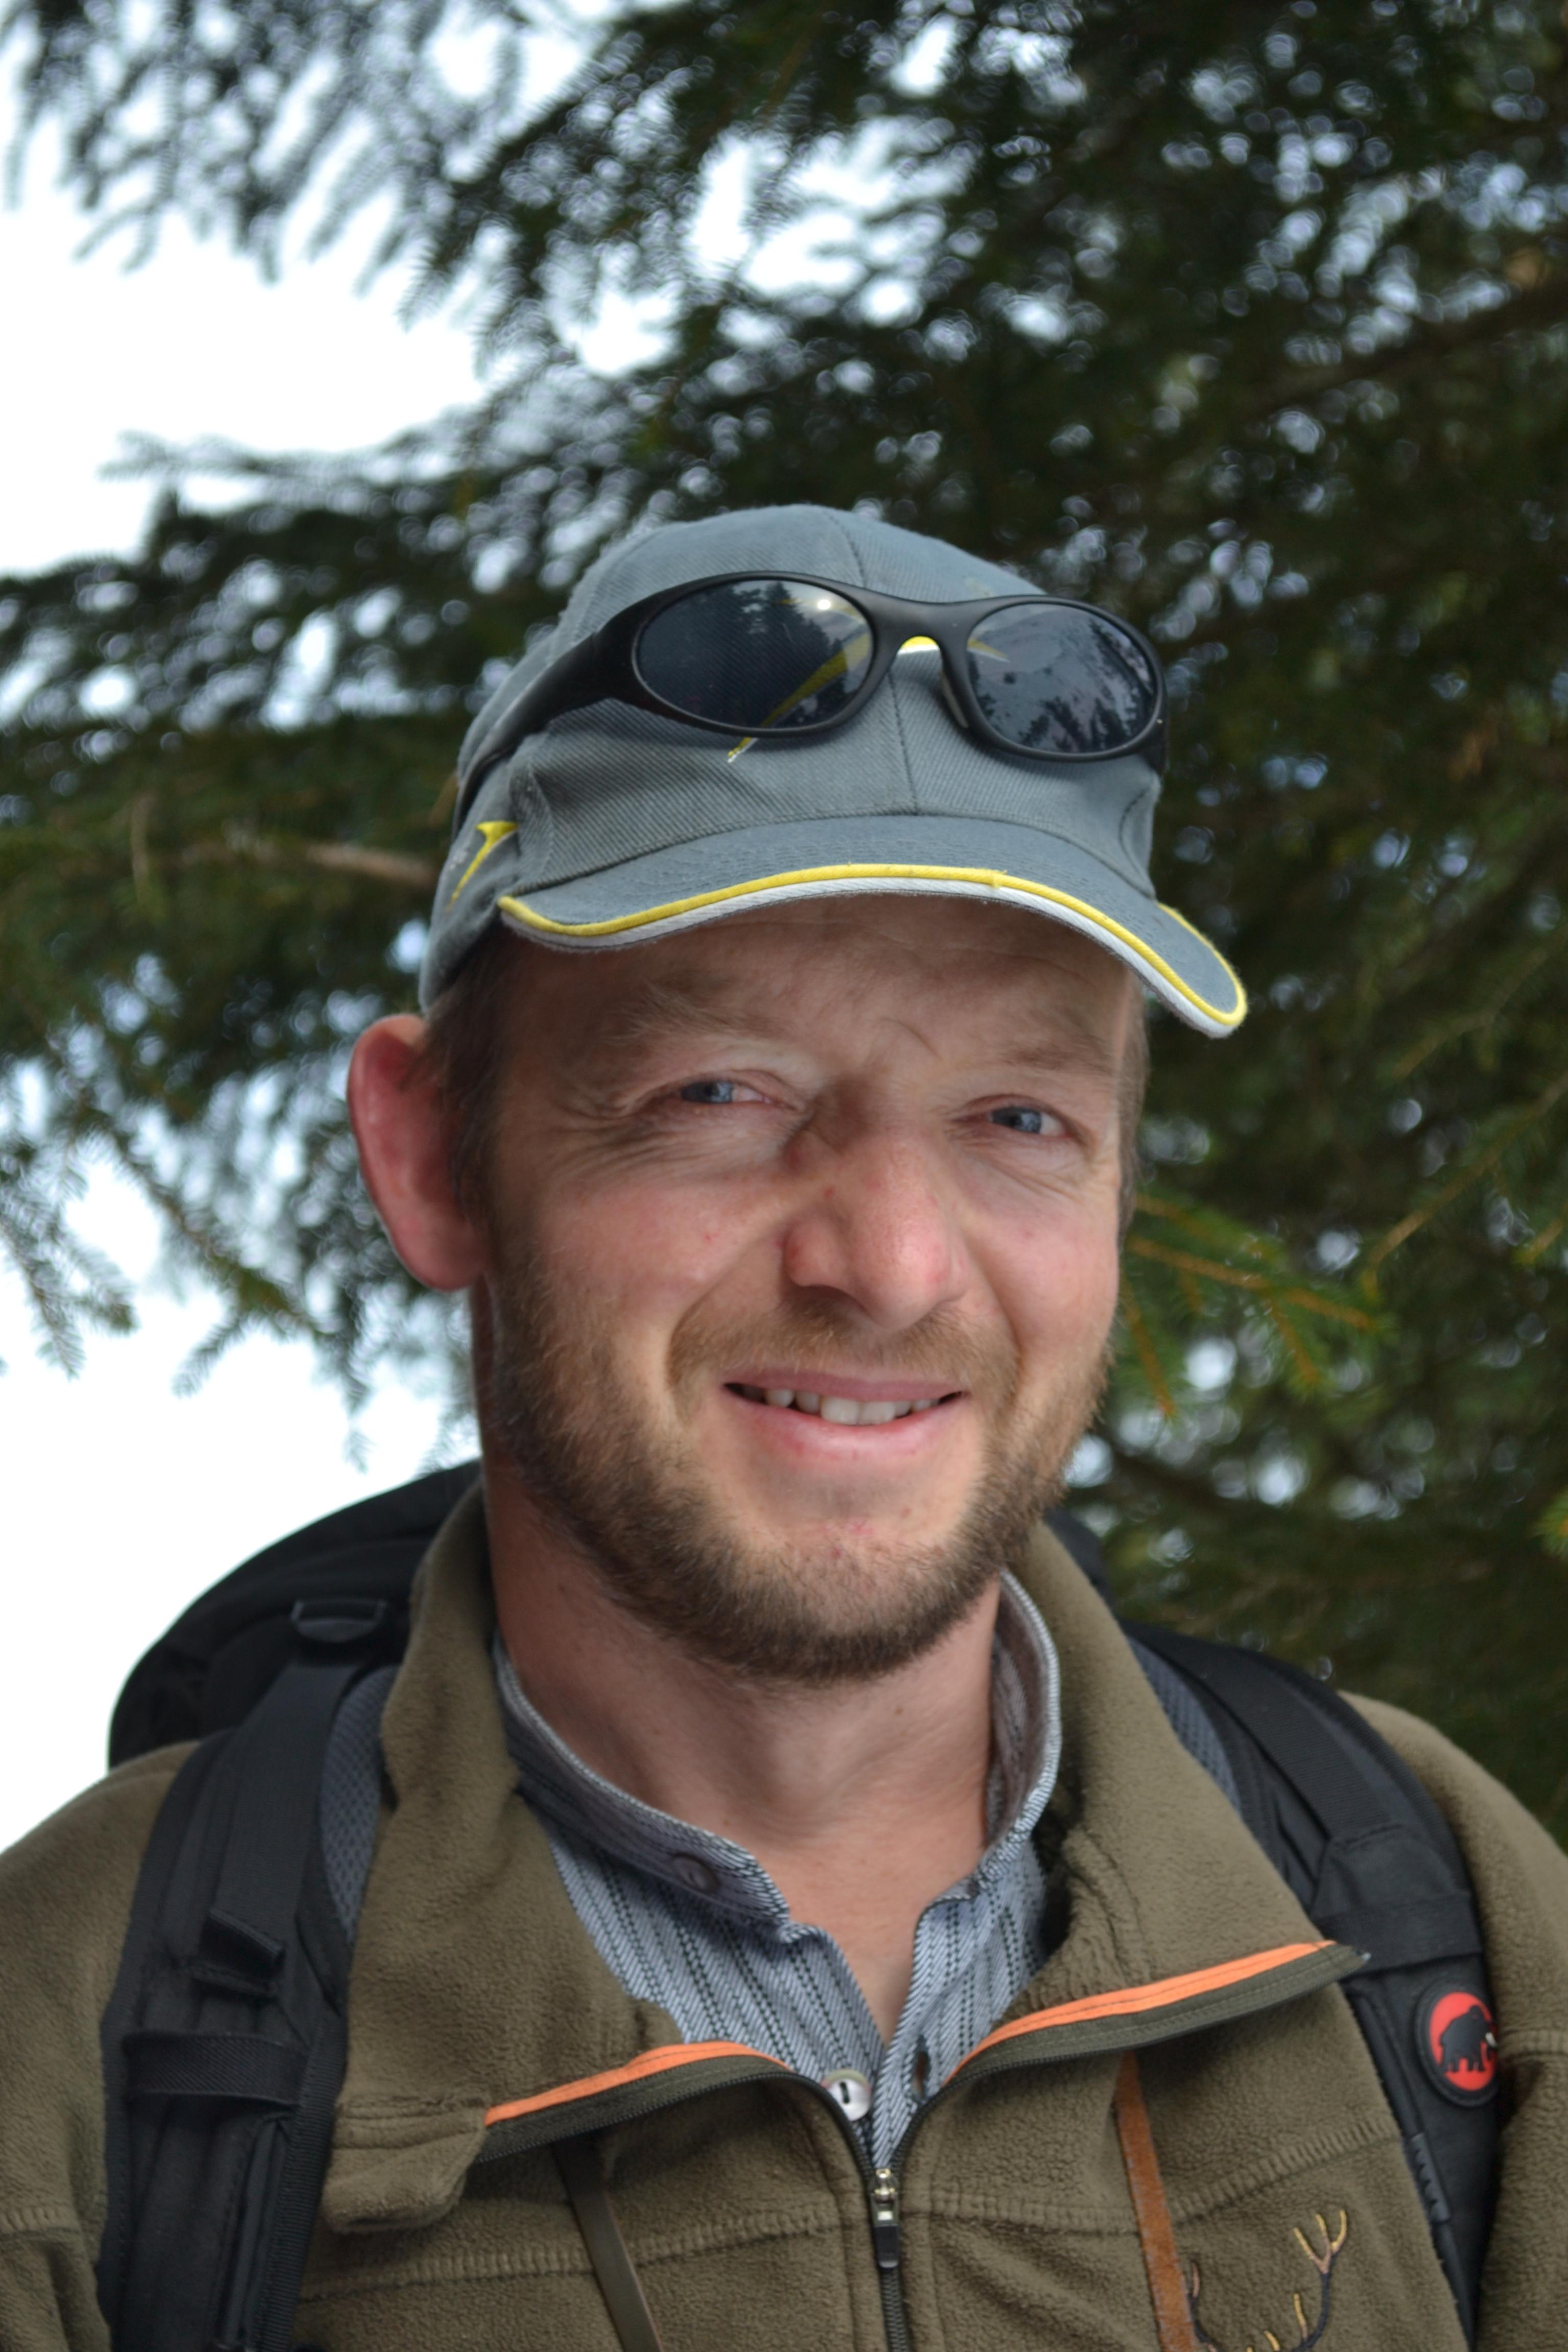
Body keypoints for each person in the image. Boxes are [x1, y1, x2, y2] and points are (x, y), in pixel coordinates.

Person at [2, 503, 1565, 2352]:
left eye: (1020, 1117)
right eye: (721, 1092)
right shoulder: (69, 2044)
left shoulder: (1449, 1921)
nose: (890, 1267)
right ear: (432, 1159)